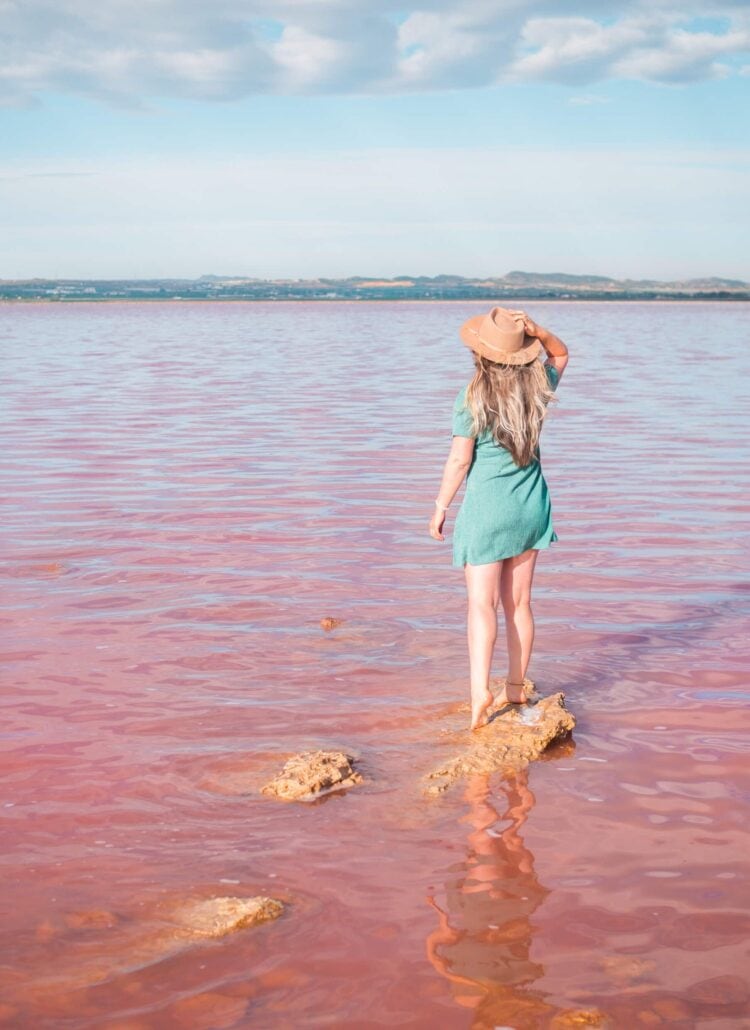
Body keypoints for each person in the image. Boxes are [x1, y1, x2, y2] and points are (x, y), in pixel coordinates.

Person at [428, 306, 569, 731]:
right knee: (519, 604)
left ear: (480, 353)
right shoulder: (539, 386)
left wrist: (440, 507)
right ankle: (514, 687)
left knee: (481, 605)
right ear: (522, 352)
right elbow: (560, 355)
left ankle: (478, 693)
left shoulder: (471, 397)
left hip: (487, 511)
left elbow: (459, 460)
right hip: (530, 507)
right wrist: (539, 331)